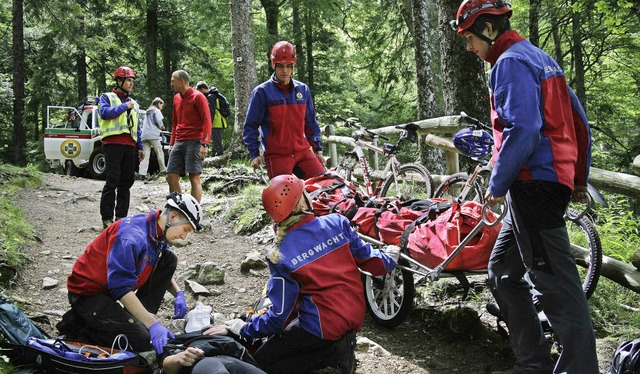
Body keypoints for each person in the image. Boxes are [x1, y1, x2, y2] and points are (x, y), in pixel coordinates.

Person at [450, 1, 598, 373]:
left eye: (469, 39)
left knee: (558, 290)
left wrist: (497, 183)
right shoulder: (540, 58)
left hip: (533, 186)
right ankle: (533, 363)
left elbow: (524, 128)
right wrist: (578, 177)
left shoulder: (510, 63)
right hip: (543, 185)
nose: (469, 49)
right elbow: (580, 123)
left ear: (487, 29)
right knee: (501, 270)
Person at [207, 174, 400, 374]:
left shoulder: (280, 254)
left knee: (259, 364)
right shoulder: (337, 223)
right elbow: (375, 263)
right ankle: (337, 350)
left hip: (321, 328)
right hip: (352, 317)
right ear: (303, 203)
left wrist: (242, 328)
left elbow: (279, 317)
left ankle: (333, 357)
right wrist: (391, 254)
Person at [56, 193, 203, 355]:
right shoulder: (131, 237)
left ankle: (137, 319)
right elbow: (120, 288)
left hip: (111, 291)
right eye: (186, 229)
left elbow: (157, 261)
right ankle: (77, 326)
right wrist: (153, 324)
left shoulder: (156, 229)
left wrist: (178, 293)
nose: (184, 236)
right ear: (173, 217)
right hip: (89, 295)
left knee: (168, 259)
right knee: (141, 340)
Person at [243, 40, 325, 180]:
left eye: (288, 66)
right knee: (284, 197)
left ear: (293, 66)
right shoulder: (262, 92)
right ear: (274, 65)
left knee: (324, 185)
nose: (285, 70)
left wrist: (317, 149)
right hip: (277, 155)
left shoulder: (303, 90)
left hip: (302, 153)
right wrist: (254, 153)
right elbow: (250, 126)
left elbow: (311, 122)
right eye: (280, 66)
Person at [98, 66, 144, 229]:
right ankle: (107, 218)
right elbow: (104, 113)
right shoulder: (107, 97)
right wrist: (125, 107)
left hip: (130, 146)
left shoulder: (134, 104)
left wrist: (140, 146)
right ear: (119, 81)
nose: (131, 84)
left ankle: (121, 218)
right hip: (112, 144)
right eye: (129, 80)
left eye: (132, 81)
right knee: (112, 179)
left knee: (127, 181)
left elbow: (137, 126)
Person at [167, 70, 212, 203]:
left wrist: (205, 144)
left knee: (194, 177)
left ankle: (194, 213)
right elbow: (175, 123)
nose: (171, 83)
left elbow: (207, 121)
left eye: (173, 80)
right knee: (171, 175)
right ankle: (178, 207)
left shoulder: (198, 97)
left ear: (182, 82)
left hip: (195, 141)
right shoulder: (176, 98)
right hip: (179, 141)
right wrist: (171, 143)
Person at [160, 331, 266, 374]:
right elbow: (166, 366)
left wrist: (230, 330)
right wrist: (179, 358)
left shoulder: (220, 332)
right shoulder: (175, 342)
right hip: (203, 362)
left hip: (233, 360)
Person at [196, 81, 228, 157]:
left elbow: (211, 111)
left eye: (199, 90)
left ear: (203, 89)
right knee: (216, 141)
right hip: (217, 121)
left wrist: (208, 123)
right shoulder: (213, 95)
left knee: (217, 142)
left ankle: (219, 159)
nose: (198, 93)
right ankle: (217, 156)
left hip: (216, 122)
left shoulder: (210, 97)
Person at [138, 97, 167, 180]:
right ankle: (163, 170)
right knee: (159, 152)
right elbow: (159, 122)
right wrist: (162, 127)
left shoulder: (147, 111)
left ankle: (142, 173)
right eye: (161, 105)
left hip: (144, 135)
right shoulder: (156, 111)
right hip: (153, 134)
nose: (161, 107)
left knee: (145, 155)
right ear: (158, 103)